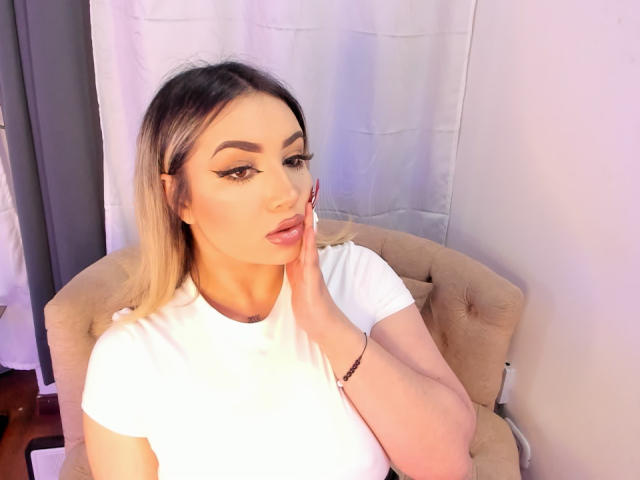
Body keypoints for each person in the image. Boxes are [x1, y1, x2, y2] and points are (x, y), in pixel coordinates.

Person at [81, 61, 476, 480]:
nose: (287, 193)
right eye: (239, 170)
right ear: (178, 197)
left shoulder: (357, 276)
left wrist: (328, 325)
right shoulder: (129, 356)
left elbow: (449, 464)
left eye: (293, 159)